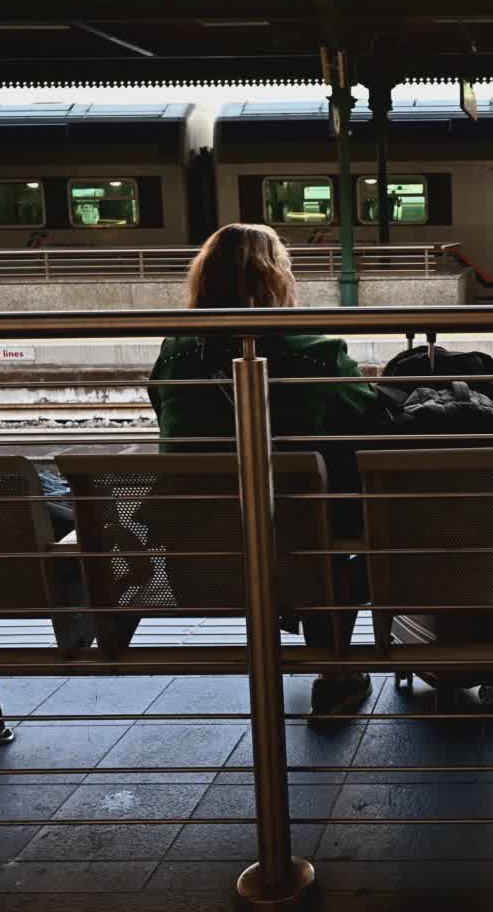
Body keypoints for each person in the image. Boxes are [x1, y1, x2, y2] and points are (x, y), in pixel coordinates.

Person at [148, 223, 382, 716]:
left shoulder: (175, 352)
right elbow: (367, 417)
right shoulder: (316, 353)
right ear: (276, 278)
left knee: (300, 519)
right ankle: (336, 668)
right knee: (336, 522)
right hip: (300, 554)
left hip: (202, 559)